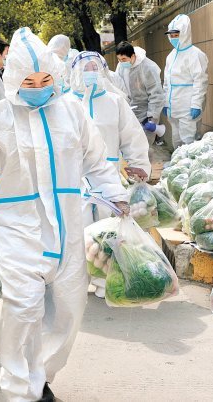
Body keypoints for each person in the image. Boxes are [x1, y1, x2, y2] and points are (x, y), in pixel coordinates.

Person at [0, 27, 129, 402]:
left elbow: (97, 161)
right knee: (23, 308)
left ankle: (42, 375)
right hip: (16, 229)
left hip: (68, 226)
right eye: (29, 80)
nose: (38, 86)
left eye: (45, 79)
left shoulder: (71, 112)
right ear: (13, 79)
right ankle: (22, 390)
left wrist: (115, 194)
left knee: (71, 307)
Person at [69, 50, 150, 298]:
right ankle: (77, 281)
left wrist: (139, 164)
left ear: (103, 71)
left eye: (95, 69)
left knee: (108, 231)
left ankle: (107, 280)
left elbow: (132, 136)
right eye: (85, 69)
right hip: (75, 179)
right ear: (74, 72)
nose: (90, 73)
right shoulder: (66, 103)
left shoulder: (114, 103)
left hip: (109, 176)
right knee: (78, 231)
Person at [164, 14, 209, 147]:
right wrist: (166, 103)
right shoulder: (171, 56)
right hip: (173, 109)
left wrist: (196, 104)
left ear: (184, 33)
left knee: (189, 141)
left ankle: (188, 167)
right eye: (171, 35)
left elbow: (200, 81)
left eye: (176, 35)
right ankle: (178, 165)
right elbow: (166, 83)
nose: (173, 38)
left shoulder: (196, 54)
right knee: (176, 139)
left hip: (188, 107)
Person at [115, 41, 165, 145]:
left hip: (146, 113)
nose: (121, 62)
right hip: (130, 112)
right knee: (131, 147)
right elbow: (119, 88)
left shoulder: (147, 67)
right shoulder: (121, 66)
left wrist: (152, 117)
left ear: (133, 56)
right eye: (119, 59)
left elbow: (156, 94)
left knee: (144, 147)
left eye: (124, 59)